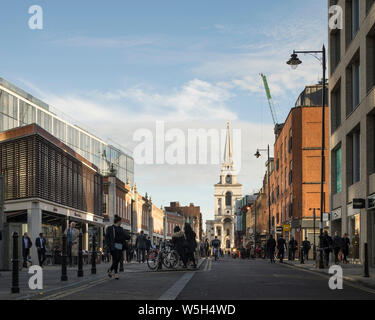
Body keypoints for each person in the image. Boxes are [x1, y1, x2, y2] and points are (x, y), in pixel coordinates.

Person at [105, 215, 130, 279]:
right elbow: (107, 238)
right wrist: (108, 246)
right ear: (118, 221)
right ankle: (115, 273)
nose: (121, 222)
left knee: (118, 260)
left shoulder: (121, 228)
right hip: (113, 246)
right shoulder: (110, 228)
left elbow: (125, 236)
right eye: (120, 221)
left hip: (119, 246)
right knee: (115, 259)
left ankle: (110, 270)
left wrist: (129, 236)